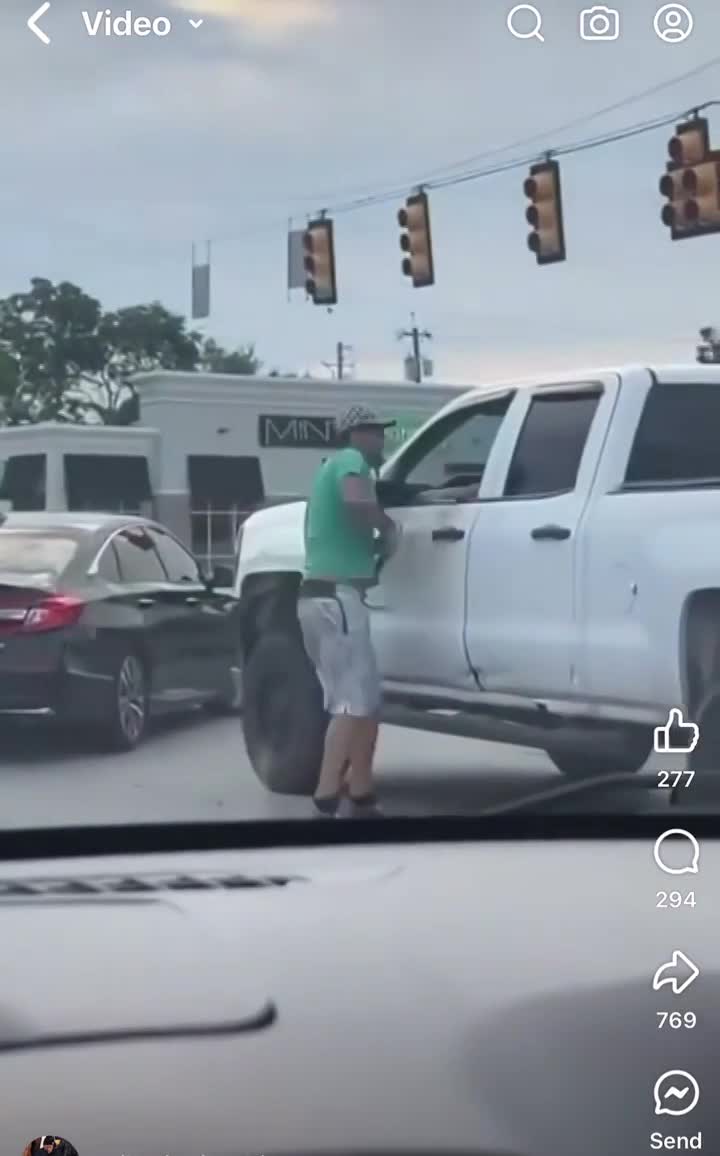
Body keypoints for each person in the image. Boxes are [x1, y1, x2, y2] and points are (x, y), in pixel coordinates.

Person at [298, 405, 399, 819]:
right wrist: (387, 526)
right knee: (351, 701)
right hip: (336, 601)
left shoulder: (326, 472)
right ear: (356, 434)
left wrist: (373, 548)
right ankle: (326, 793)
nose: (381, 439)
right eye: (375, 431)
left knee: (366, 700)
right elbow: (357, 500)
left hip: (324, 599)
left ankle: (362, 789)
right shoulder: (349, 460)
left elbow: (346, 525)